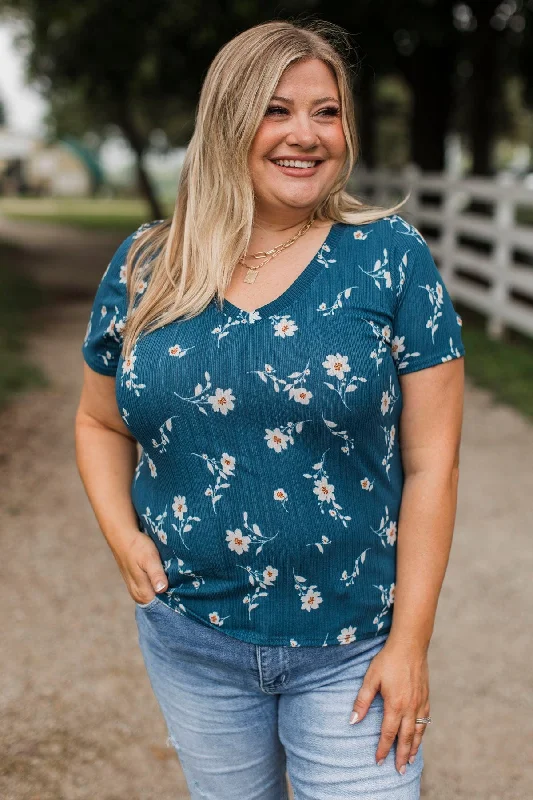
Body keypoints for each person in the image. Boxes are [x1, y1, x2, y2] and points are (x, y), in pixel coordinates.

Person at [75, 19, 465, 800]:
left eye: (326, 111)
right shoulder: (149, 262)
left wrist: (410, 645)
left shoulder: (390, 258)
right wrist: (123, 538)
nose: (306, 134)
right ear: (227, 121)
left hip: (353, 646)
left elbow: (432, 462)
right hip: (190, 639)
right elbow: (98, 421)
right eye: (277, 109)